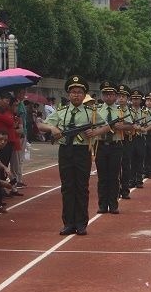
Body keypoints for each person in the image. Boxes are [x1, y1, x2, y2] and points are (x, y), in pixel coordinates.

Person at [37, 75, 111, 235]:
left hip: (82, 151)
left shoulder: (91, 112)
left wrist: (94, 132)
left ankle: (81, 223)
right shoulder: (61, 111)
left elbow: (106, 127)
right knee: (67, 187)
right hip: (65, 151)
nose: (76, 95)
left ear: (84, 95)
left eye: (79, 92)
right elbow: (41, 124)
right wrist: (52, 129)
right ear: (68, 94)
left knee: (82, 187)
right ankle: (68, 222)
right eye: (73, 92)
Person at [95, 81, 131, 215]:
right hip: (101, 145)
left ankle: (113, 204)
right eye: (106, 94)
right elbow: (92, 126)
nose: (108, 97)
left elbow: (131, 126)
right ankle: (102, 204)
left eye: (111, 94)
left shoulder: (121, 111)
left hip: (116, 145)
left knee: (114, 175)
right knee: (102, 176)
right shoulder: (97, 110)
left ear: (115, 96)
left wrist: (123, 127)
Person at [115, 85, 135, 199]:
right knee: (116, 167)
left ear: (128, 98)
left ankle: (125, 190)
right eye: (119, 96)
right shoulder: (114, 110)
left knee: (126, 166)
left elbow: (132, 126)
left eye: (123, 96)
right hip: (117, 140)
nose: (121, 99)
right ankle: (117, 189)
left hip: (127, 140)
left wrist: (123, 127)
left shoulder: (131, 112)